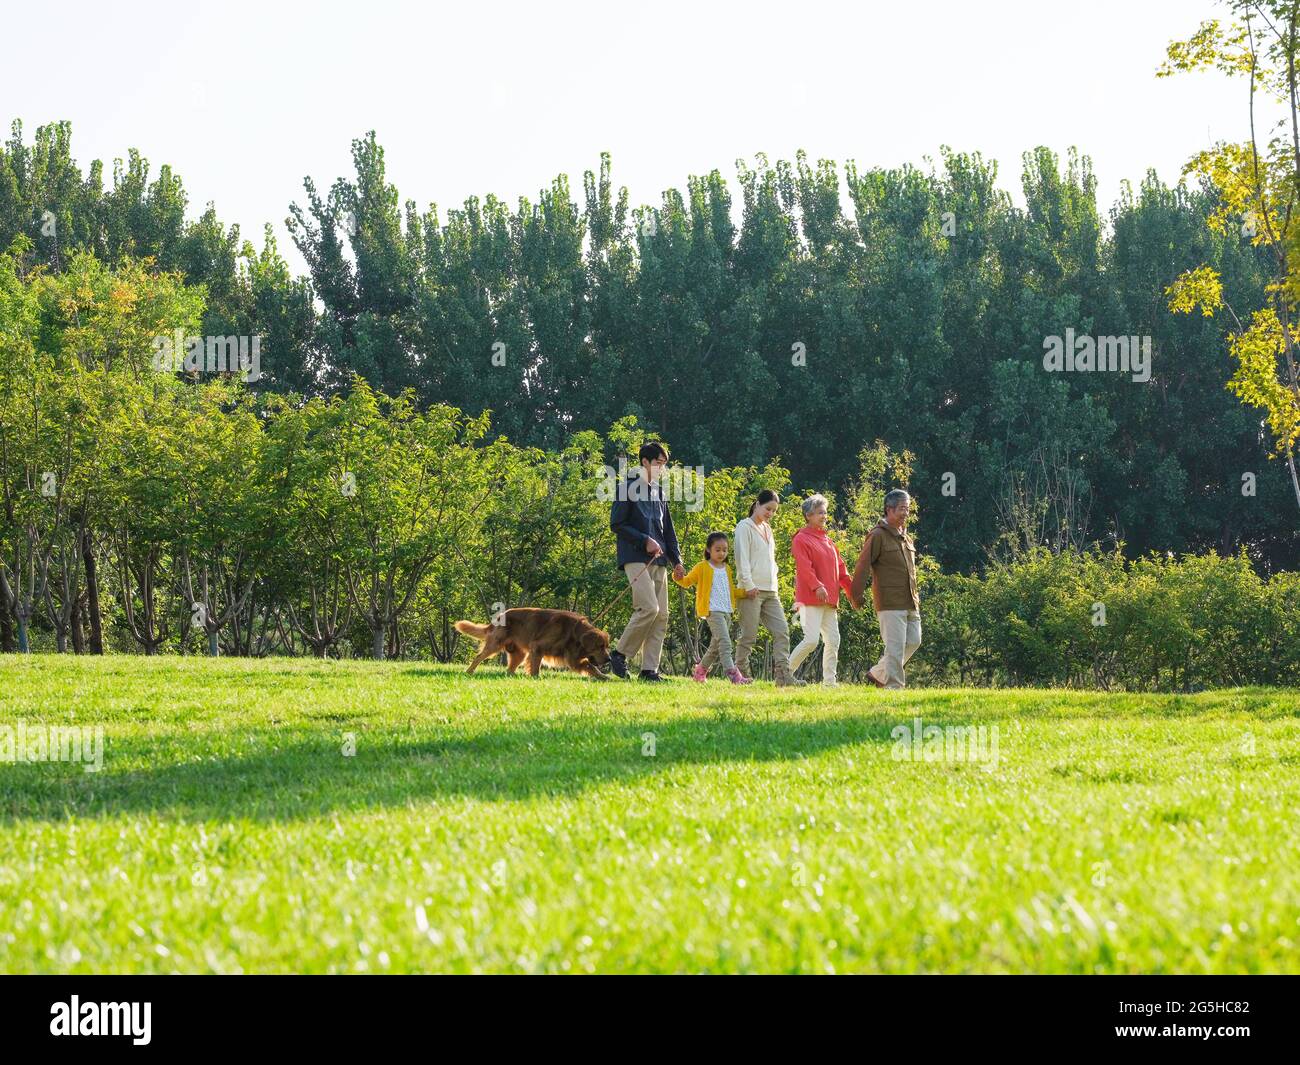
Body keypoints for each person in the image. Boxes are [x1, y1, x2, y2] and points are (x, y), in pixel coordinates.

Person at [608, 442, 686, 681]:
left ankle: (649, 670)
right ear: (644, 462)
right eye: (658, 463)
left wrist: (677, 561)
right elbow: (617, 524)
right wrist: (644, 541)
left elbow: (668, 532)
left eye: (664, 464)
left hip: (660, 561)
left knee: (661, 614)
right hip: (634, 557)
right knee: (648, 608)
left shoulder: (660, 492)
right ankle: (619, 655)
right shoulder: (626, 488)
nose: (662, 468)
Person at [850, 489, 921, 690]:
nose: (906, 513)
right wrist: (856, 596)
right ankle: (894, 687)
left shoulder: (906, 538)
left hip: (910, 600)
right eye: (902, 509)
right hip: (889, 602)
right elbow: (862, 566)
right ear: (889, 510)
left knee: (914, 641)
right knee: (895, 648)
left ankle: (877, 674)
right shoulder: (877, 535)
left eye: (907, 508)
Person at [733, 490, 804, 686]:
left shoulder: (768, 529)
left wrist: (775, 583)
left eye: (774, 511)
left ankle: (784, 677)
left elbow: (769, 560)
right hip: (751, 590)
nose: (770, 513)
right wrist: (748, 585)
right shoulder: (744, 527)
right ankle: (740, 675)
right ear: (757, 504)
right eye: (768, 508)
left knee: (782, 631)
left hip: (771, 591)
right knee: (749, 635)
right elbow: (742, 559)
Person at [788, 494, 855, 686]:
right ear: (808, 515)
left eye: (825, 512)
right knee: (810, 641)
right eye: (819, 513)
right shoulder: (801, 538)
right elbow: (804, 567)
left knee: (833, 640)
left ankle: (829, 683)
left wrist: (851, 592)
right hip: (809, 598)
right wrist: (817, 585)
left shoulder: (828, 541)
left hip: (830, 600)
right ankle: (784, 673)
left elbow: (841, 569)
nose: (824, 516)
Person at [674, 532, 754, 684]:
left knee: (715, 647)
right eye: (718, 549)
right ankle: (734, 675)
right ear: (709, 549)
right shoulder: (702, 567)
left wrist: (745, 592)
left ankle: (700, 672)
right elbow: (687, 581)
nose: (721, 553)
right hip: (712, 611)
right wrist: (677, 577)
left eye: (724, 550)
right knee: (725, 642)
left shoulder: (728, 569)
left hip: (727, 612)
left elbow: (730, 591)